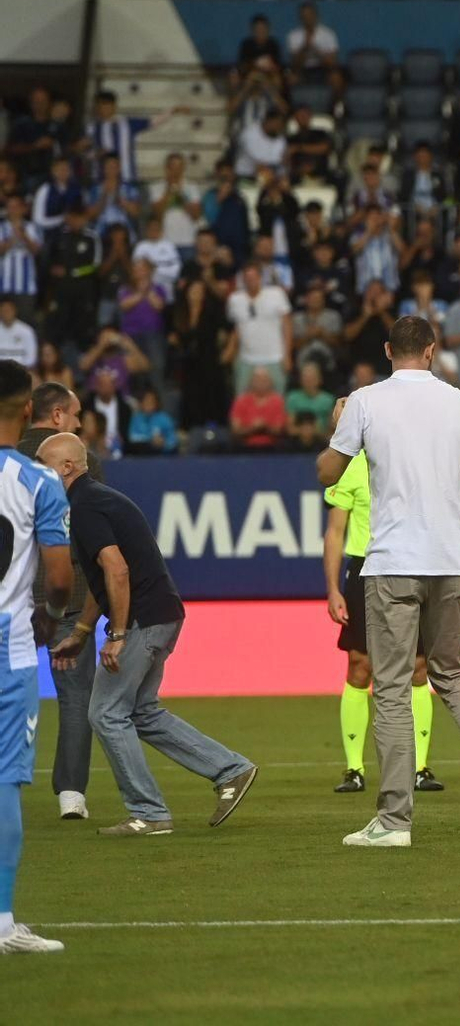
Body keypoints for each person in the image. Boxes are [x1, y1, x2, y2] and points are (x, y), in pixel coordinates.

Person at [318, 316, 460, 847]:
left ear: (389, 350)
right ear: (434, 351)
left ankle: (394, 822)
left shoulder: (365, 401)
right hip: (450, 560)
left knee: (391, 690)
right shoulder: (459, 402)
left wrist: (339, 428)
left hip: (394, 561)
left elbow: (329, 472)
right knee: (453, 678)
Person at [42, 433, 257, 837]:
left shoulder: (84, 506)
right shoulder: (95, 500)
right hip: (161, 613)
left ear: (67, 467)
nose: (38, 472)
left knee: (105, 712)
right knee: (141, 712)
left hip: (141, 619)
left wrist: (118, 634)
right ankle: (231, 770)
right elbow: (102, 578)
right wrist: (85, 630)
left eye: (43, 464)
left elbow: (117, 571)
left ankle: (149, 812)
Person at [0, 361, 73, 954]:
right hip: (10, 651)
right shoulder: (40, 482)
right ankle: (1, 923)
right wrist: (49, 615)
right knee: (3, 784)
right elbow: (57, 578)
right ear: (29, 413)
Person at [323, 449, 445, 796]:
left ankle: (420, 767)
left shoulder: (415, 459)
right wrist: (333, 588)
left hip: (411, 564)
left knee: (420, 667)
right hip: (363, 569)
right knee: (360, 666)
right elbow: (335, 532)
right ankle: (353, 768)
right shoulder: (351, 465)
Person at [18, 383, 104, 820]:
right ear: (55, 416)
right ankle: (71, 794)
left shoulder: (8, 458)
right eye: (74, 414)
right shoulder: (80, 461)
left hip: (10, 595)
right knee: (74, 697)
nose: (77, 423)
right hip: (67, 593)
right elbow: (94, 535)